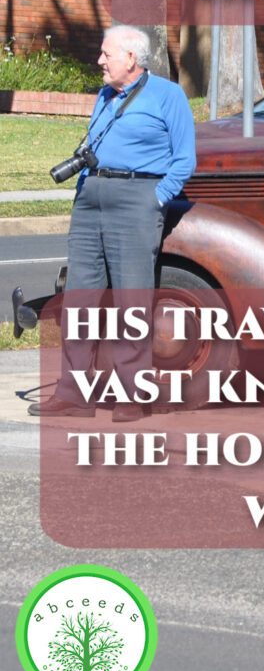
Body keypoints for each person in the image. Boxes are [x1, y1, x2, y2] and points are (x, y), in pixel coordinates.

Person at [29, 25, 196, 421]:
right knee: (80, 301)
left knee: (130, 301)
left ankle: (133, 395)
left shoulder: (168, 96)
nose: (100, 61)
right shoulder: (105, 95)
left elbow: (184, 159)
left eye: (107, 54)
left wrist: (154, 199)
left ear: (131, 59)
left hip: (137, 200)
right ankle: (73, 393)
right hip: (92, 201)